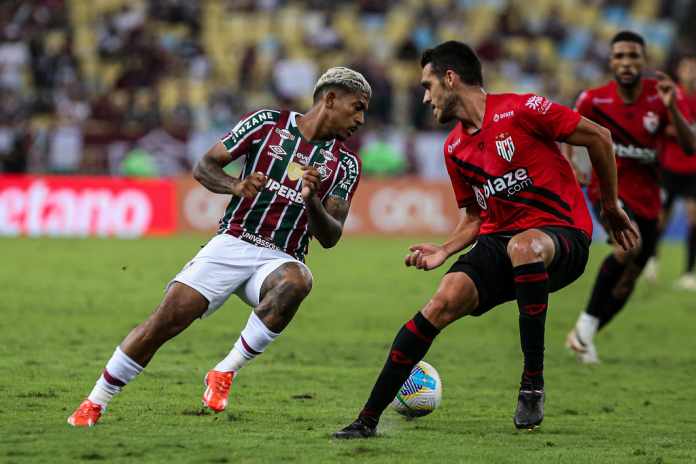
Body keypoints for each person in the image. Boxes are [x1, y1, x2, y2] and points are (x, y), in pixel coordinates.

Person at [333, 41, 637, 438]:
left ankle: (532, 383)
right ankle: (366, 420)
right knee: (440, 303)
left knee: (523, 246)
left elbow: (598, 137)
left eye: (427, 86)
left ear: (450, 78)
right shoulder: (454, 148)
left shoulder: (524, 109)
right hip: (502, 243)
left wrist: (610, 206)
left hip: (562, 235)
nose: (425, 98)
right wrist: (444, 249)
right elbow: (476, 218)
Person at [67, 67, 371, 427]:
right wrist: (234, 186)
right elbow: (205, 166)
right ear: (331, 99)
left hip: (279, 260)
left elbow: (331, 235)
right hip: (233, 244)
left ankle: (224, 371)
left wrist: (310, 200)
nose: (361, 119)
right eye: (357, 107)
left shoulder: (346, 164)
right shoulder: (267, 123)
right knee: (164, 322)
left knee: (299, 281)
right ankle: (94, 402)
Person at [565, 32, 696, 364]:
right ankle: (584, 328)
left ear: (644, 61)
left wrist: (672, 109)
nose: (626, 63)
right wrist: (572, 163)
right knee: (629, 245)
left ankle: (585, 333)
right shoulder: (593, 100)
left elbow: (689, 144)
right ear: (611, 61)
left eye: (633, 56)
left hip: (648, 199)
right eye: (619, 56)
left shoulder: (661, 96)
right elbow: (567, 130)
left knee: (627, 282)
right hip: (607, 191)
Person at [646, 55, 696, 290]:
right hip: (669, 167)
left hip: (693, 170)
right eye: (688, 67)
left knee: (693, 218)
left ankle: (688, 273)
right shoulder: (670, 95)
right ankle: (652, 260)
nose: (692, 72)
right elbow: (654, 125)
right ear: (679, 70)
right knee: (661, 220)